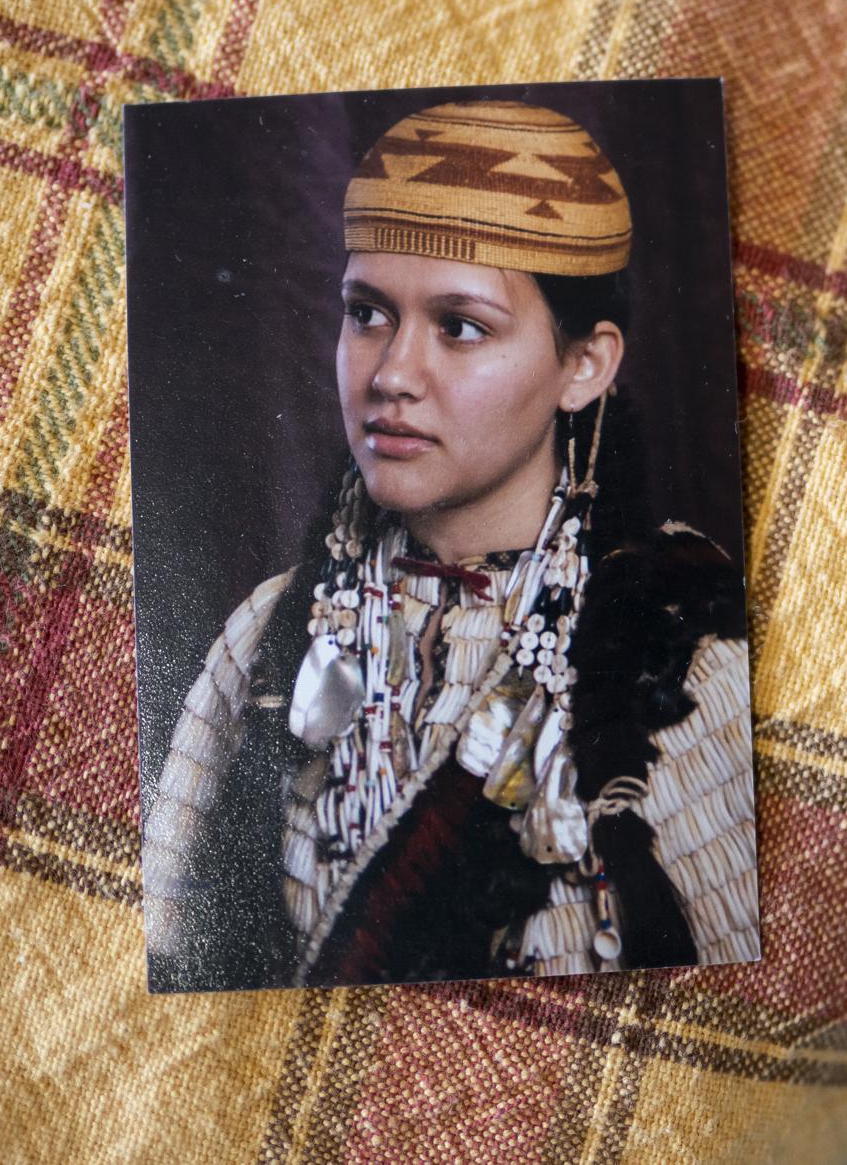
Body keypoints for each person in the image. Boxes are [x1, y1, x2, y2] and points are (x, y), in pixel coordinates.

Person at [140, 100, 759, 990]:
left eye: (460, 326)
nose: (392, 373)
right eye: (367, 313)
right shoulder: (269, 634)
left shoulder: (685, 647)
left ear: (584, 364)